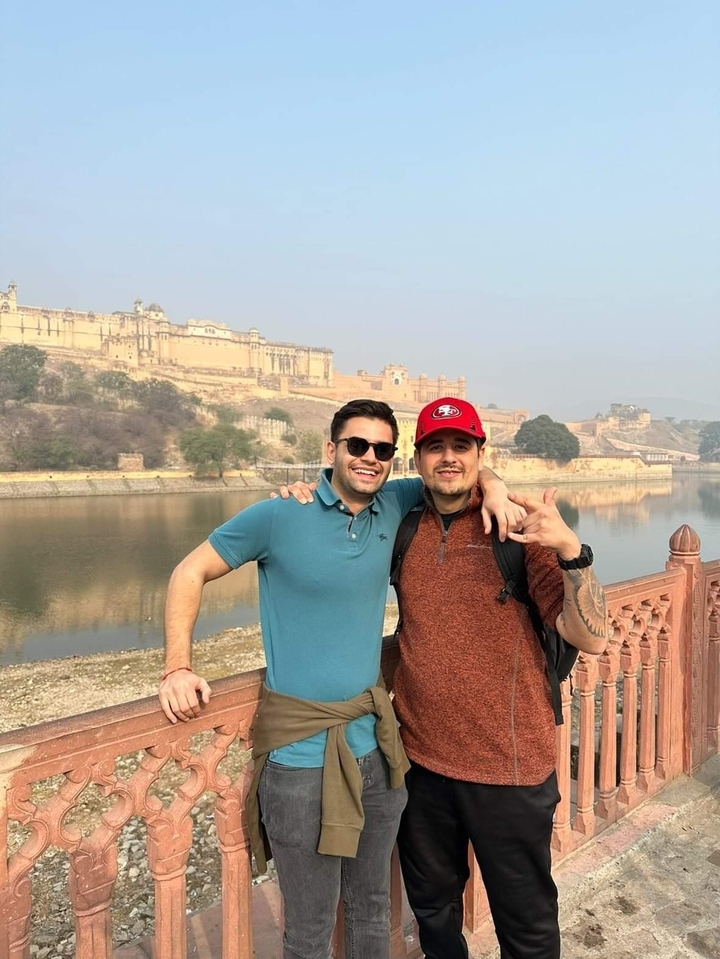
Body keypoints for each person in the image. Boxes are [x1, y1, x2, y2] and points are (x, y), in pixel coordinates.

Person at [158, 398, 520, 959]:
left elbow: (457, 469)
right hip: (298, 760)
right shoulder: (278, 515)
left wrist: (494, 488)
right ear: (331, 450)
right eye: (357, 445)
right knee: (308, 926)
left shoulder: (397, 502)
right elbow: (189, 571)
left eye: (382, 450)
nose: (369, 458)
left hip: (373, 750)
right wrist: (177, 666)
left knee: (372, 909)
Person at [392, 398, 609, 959]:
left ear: (480, 452)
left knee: (527, 923)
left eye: (461, 447)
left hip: (509, 767)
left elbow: (591, 638)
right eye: (435, 447)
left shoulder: (514, 532)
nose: (448, 458)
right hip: (423, 764)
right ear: (417, 458)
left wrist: (569, 550)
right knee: (434, 910)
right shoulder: (404, 524)